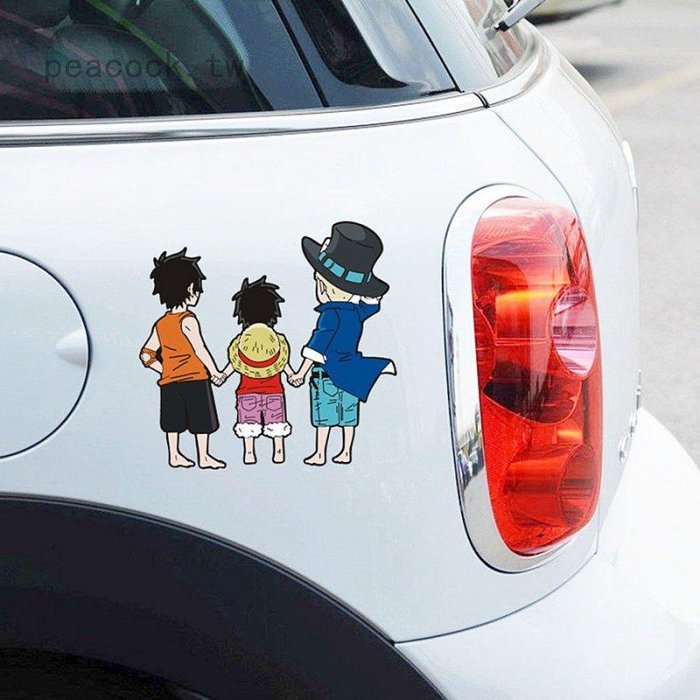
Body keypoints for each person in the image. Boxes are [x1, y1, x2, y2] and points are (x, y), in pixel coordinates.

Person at [289, 222, 396, 466]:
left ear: (322, 286)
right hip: (351, 372)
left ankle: (320, 453)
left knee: (324, 417)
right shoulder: (355, 312)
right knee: (348, 417)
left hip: (327, 373)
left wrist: (300, 373)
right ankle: (346, 451)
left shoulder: (330, 314)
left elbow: (318, 345)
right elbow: (371, 306)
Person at [140, 249, 226, 470]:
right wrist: (215, 373)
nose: (198, 294)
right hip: (195, 378)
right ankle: (204, 457)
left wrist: (164, 369)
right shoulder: (188, 320)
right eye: (197, 289)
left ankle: (174, 455)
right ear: (189, 288)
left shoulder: (161, 323)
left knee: (173, 421)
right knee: (202, 421)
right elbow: (200, 349)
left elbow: (146, 354)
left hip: (170, 382)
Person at [220, 277, 293, 465]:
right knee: (277, 424)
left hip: (247, 393)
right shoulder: (277, 340)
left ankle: (249, 453)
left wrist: (222, 375)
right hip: (274, 391)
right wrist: (293, 375)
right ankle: (279, 452)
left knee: (248, 425)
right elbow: (283, 363)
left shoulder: (242, 341)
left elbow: (234, 364)